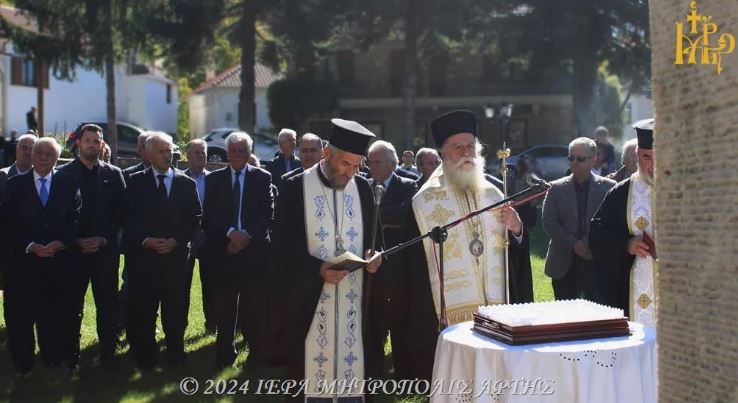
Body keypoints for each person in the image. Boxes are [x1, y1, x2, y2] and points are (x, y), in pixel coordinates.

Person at [404, 110, 529, 381]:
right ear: (442, 153)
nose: (465, 152)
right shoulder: (423, 202)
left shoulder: (494, 193)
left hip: (496, 310)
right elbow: (414, 269)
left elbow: (514, 251)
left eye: (470, 145)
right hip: (451, 315)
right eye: (457, 147)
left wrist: (517, 228)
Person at [277, 118, 382, 400]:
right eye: (346, 164)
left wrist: (374, 257)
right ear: (326, 154)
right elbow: (281, 246)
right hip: (309, 302)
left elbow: (375, 240)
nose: (352, 172)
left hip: (353, 301)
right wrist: (316, 269)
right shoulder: (293, 188)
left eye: (358, 165)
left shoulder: (363, 189)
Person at [1, 137, 81, 375]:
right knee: (20, 316)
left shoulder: (68, 182)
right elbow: (7, 223)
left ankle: (52, 358)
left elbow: (75, 218)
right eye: (39, 153)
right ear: (32, 156)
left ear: (57, 158)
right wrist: (30, 244)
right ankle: (23, 363)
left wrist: (61, 242)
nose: (44, 158)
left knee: (53, 313)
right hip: (23, 263)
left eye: (49, 154)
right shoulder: (15, 185)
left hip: (58, 262)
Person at [124, 132, 201, 369]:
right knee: (145, 309)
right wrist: (146, 240)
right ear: (148, 154)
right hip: (144, 260)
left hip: (175, 259)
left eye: (170, 150)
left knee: (175, 309)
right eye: (161, 151)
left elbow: (195, 218)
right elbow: (128, 219)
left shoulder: (186, 183)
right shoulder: (135, 182)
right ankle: (147, 357)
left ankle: (176, 354)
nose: (168, 155)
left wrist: (177, 241)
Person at [57, 124, 126, 370]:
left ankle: (108, 356)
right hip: (73, 253)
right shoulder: (63, 175)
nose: (92, 145)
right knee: (71, 306)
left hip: (105, 252)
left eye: (97, 141)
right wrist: (75, 240)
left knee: (107, 306)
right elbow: (59, 216)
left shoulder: (114, 174)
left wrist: (104, 239)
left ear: (102, 144)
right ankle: (71, 357)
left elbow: (121, 215)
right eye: (88, 140)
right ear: (79, 143)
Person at [202, 132, 274, 368]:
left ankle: (256, 354)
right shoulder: (214, 180)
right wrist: (231, 234)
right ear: (227, 152)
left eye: (242, 151)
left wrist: (245, 235)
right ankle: (225, 354)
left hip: (254, 253)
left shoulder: (263, 178)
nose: (237, 155)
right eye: (233, 151)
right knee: (224, 308)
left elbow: (267, 214)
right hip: (224, 253)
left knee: (254, 308)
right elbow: (210, 215)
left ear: (249, 152)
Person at [590, 119, 657, 327]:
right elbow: (597, 233)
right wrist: (626, 244)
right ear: (637, 156)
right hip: (632, 293)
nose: (654, 164)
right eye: (647, 157)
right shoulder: (622, 193)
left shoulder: (689, 192)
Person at [364, 140, 418, 381]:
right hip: (369, 266)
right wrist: (388, 215)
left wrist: (376, 215)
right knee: (372, 321)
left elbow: (406, 215)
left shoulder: (408, 186)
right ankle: (372, 372)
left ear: (393, 163)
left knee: (400, 321)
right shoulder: (363, 186)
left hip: (399, 264)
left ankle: (404, 374)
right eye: (370, 162)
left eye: (377, 162)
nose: (372, 166)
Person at [542, 137, 616, 301]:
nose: (575, 162)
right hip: (563, 263)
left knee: (598, 315)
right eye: (571, 158)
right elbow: (549, 222)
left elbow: (609, 222)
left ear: (594, 159)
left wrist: (587, 242)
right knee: (566, 318)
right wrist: (574, 244)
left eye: (580, 159)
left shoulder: (608, 188)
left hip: (596, 261)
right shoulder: (556, 188)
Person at [183, 139, 216, 333]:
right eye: (197, 153)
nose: (202, 156)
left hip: (209, 239)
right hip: (186, 238)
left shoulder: (214, 180)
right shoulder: (179, 179)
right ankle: (180, 322)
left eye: (203, 152)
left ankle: (212, 323)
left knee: (210, 283)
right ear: (188, 156)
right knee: (182, 284)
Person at [0, 134, 37, 203]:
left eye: (32, 149)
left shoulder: (41, 177)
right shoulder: (2, 176)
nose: (28, 152)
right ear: (17, 149)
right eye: (24, 148)